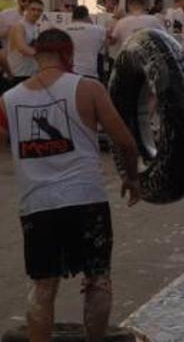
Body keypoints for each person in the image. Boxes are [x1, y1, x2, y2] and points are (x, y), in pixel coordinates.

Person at [0, 28, 140, 342]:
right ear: (69, 55)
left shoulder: (8, 100)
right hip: (86, 200)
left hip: (37, 206)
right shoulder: (89, 88)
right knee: (98, 280)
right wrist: (131, 178)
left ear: (36, 55)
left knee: (43, 286)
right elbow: (126, 142)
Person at [63, 6, 107, 80]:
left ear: (72, 16)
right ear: (87, 16)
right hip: (89, 72)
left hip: (68, 71)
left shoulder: (63, 29)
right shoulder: (99, 29)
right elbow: (105, 44)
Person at [7, 0, 42, 86]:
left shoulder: (38, 27)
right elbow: (22, 48)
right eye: (33, 9)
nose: (36, 12)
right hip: (19, 74)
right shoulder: (19, 26)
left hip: (33, 73)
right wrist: (45, 56)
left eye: (39, 10)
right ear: (26, 9)